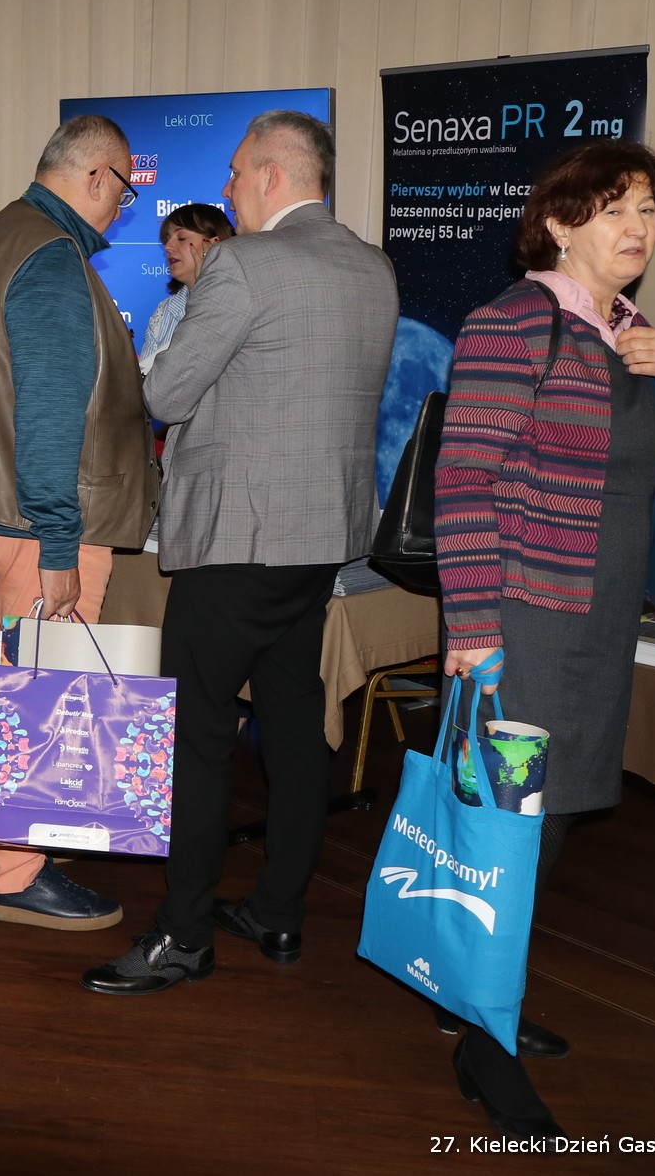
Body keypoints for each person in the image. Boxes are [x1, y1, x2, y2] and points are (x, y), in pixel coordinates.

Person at [432, 141, 655, 1138]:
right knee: (508, 833)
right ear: (557, 224)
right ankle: (483, 1043)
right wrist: (472, 629)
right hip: (524, 623)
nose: (638, 228)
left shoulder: (627, 331)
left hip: (599, 619)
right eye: (614, 209)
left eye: (649, 212)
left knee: (542, 829)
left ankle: (483, 999)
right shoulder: (513, 324)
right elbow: (462, 480)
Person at [82, 111, 397, 993]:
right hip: (320, 541)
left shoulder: (245, 264)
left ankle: (183, 936)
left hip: (238, 542)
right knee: (294, 726)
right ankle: (279, 910)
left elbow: (168, 392)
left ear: (270, 174)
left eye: (233, 171)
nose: (225, 188)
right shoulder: (373, 267)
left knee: (197, 735)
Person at [0, 114, 159, 930]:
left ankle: (28, 845)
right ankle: (16, 876)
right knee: (48, 695)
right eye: (123, 192)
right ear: (96, 175)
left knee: (23, 683)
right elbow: (51, 414)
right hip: (38, 525)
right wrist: (60, 541)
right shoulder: (52, 257)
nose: (121, 210)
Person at [137, 201, 233, 371]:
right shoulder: (165, 311)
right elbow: (146, 378)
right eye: (166, 240)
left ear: (214, 244)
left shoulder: (239, 302)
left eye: (181, 238)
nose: (168, 247)